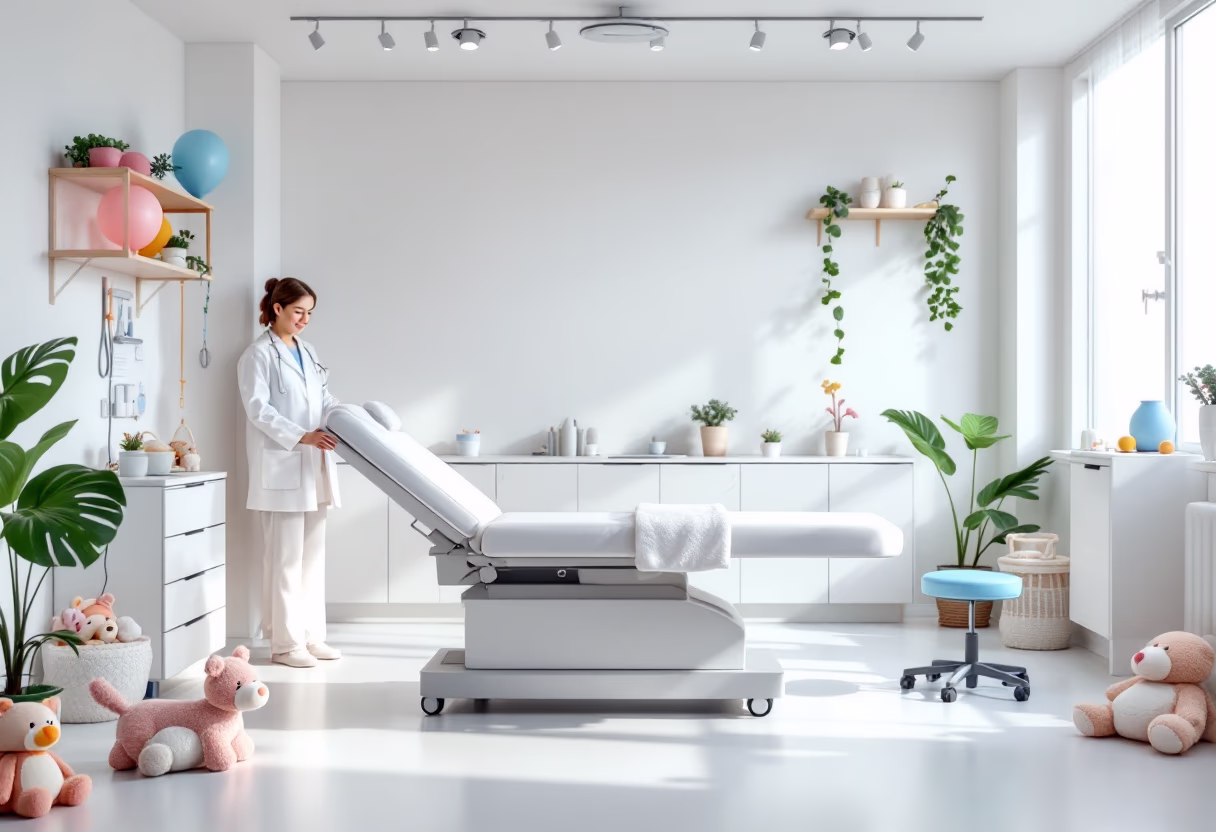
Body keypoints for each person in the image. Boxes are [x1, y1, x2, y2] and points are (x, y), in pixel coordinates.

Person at [237, 277, 342, 668]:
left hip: (314, 463)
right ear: (277, 308)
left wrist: (344, 419)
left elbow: (324, 397)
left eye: (309, 313)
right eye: (299, 311)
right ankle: (284, 644)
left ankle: (312, 636)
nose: (304, 320)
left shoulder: (307, 351)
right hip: (282, 464)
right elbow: (258, 409)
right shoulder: (257, 355)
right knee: (284, 559)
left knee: (313, 556)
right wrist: (302, 436)